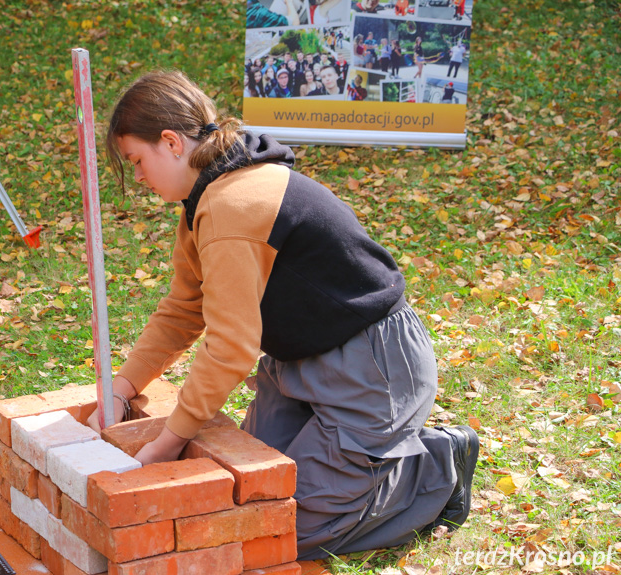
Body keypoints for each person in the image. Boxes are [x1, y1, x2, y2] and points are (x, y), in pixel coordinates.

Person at [92, 70, 479, 560]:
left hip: (373, 365)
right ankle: (365, 455)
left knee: (292, 529)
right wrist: (124, 387)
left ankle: (435, 466)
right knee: (256, 497)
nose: (141, 177)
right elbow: (185, 309)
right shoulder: (204, 200)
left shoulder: (233, 204)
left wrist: (169, 441)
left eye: (137, 161)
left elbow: (230, 346)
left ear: (170, 141)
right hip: (295, 367)